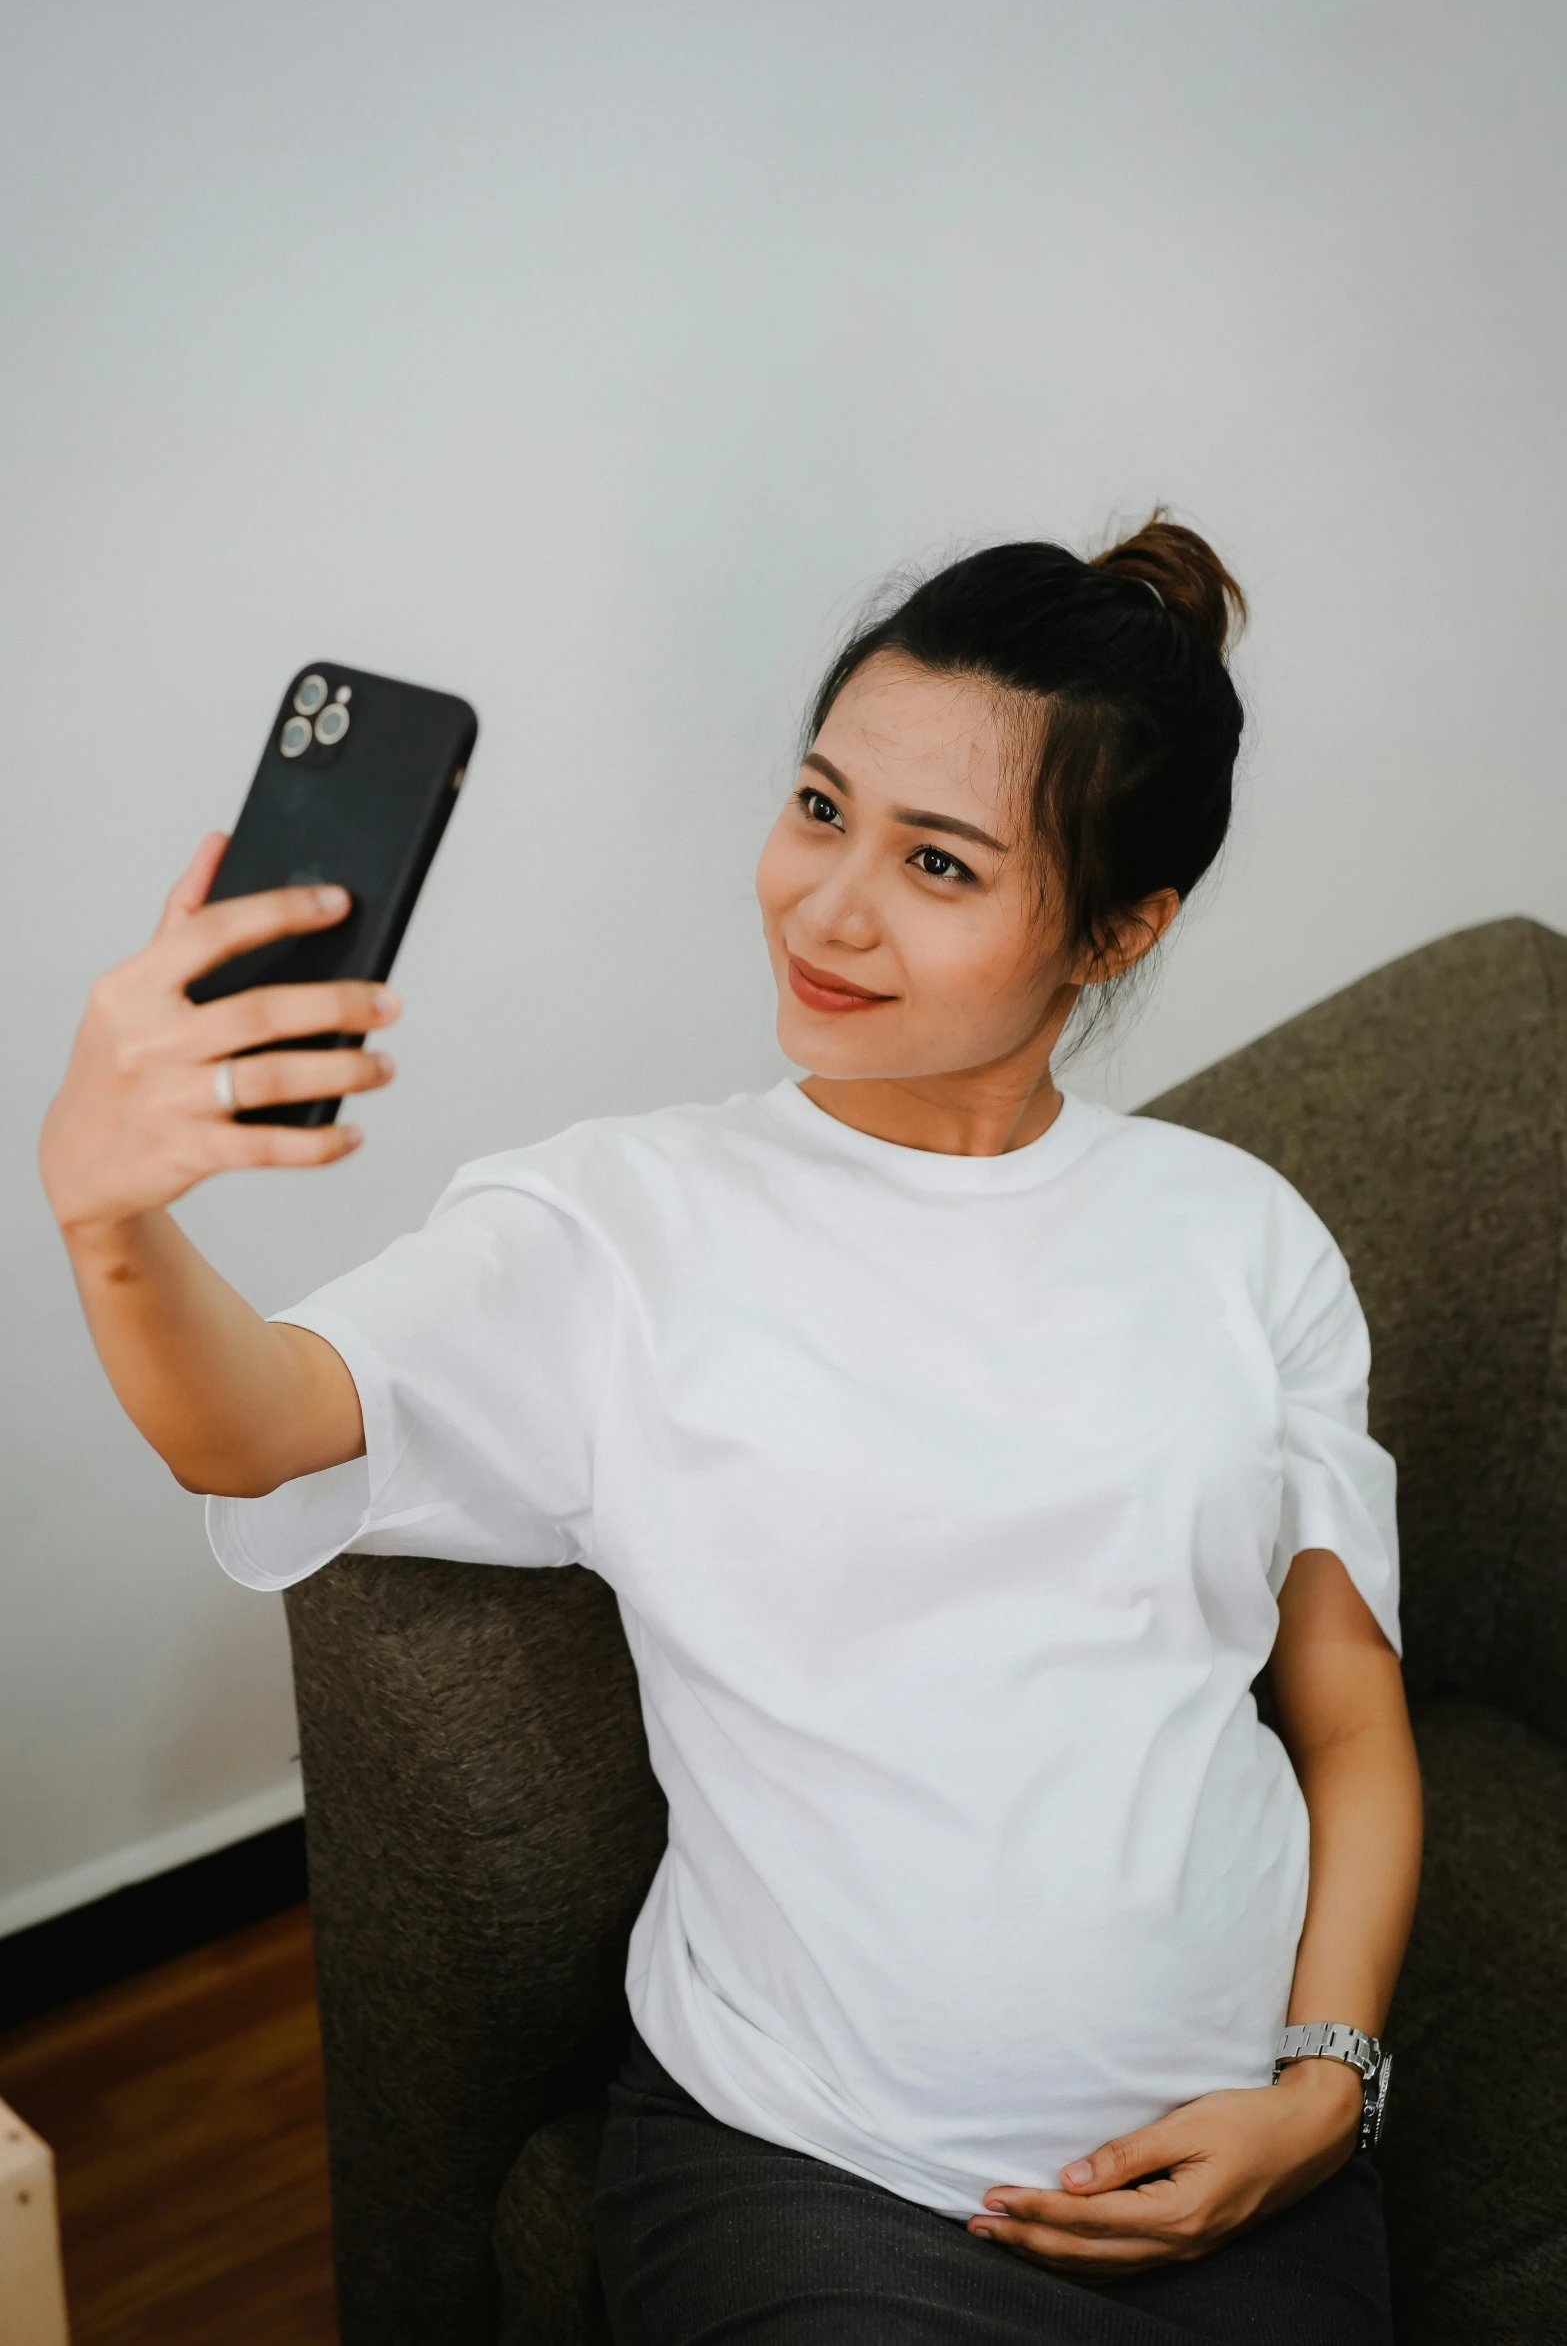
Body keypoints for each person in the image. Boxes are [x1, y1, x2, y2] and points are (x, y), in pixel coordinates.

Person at [41, 515, 1422, 2345]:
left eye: (938, 860)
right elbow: (260, 1421)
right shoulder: (624, 1224)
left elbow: (1346, 1719)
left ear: (1119, 926)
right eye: (818, 804)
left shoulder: (1242, 1234)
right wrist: (110, 1223)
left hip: (1243, 2172)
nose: (828, 903)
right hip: (819, 2172)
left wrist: (1323, 2088)